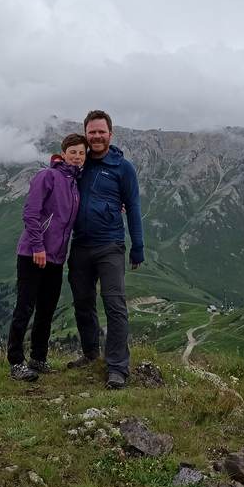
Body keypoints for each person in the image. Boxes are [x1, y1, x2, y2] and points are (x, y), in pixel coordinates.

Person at [67, 110, 144, 389]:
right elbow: (58, 174)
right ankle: (90, 354)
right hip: (80, 245)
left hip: (110, 245)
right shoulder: (79, 163)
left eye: (101, 132)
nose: (97, 136)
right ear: (86, 134)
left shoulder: (124, 168)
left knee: (114, 305)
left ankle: (117, 367)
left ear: (110, 134)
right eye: (92, 132)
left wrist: (138, 246)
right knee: (82, 303)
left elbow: (133, 206)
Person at [7, 133, 88, 382]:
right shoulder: (48, 176)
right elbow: (30, 212)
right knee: (25, 307)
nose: (77, 157)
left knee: (46, 309)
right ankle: (16, 362)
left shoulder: (75, 185)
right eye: (73, 152)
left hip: (56, 258)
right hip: (33, 254)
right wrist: (37, 246)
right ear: (63, 154)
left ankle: (38, 358)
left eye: (81, 153)